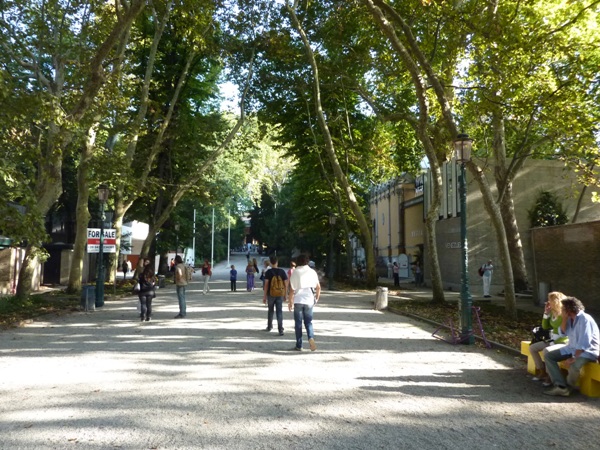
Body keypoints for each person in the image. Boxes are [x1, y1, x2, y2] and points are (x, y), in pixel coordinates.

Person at [544, 297, 600, 397]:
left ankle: (568, 387)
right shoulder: (570, 319)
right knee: (549, 356)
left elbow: (584, 342)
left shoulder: (585, 319)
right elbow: (563, 333)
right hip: (572, 348)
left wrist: (574, 357)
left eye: (563, 308)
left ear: (569, 310)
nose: (561, 310)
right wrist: (564, 319)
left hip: (587, 352)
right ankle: (561, 386)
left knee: (574, 366)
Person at [529, 291, 569, 385]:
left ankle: (549, 375)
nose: (547, 302)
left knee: (547, 350)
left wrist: (553, 342)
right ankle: (541, 370)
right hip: (552, 340)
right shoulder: (552, 313)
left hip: (562, 341)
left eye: (550, 300)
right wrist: (546, 313)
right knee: (532, 348)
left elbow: (565, 333)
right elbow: (545, 326)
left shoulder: (564, 314)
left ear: (555, 301)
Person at [288, 254, 321, 351]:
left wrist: (290, 302)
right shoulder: (312, 272)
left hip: (298, 300)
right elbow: (318, 287)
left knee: (298, 323)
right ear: (307, 261)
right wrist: (316, 298)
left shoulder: (295, 272)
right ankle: (311, 337)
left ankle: (299, 345)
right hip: (309, 300)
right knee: (308, 322)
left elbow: (292, 290)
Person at [263, 255, 288, 336]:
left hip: (271, 294)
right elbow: (285, 284)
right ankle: (280, 329)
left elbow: (266, 285)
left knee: (270, 310)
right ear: (277, 262)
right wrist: (285, 294)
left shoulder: (268, 272)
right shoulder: (282, 272)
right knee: (279, 311)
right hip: (280, 294)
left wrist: (264, 296)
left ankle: (269, 326)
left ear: (270, 263)